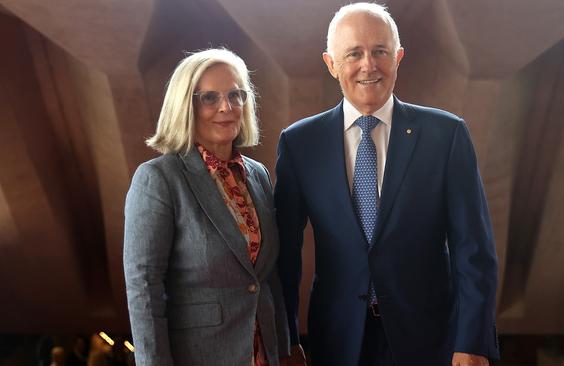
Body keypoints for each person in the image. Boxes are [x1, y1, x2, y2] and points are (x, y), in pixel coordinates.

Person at [275, 3, 499, 366]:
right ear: (331, 64)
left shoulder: (446, 135)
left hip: (429, 337)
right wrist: (285, 340)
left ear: (398, 57)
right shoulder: (300, 144)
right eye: (354, 54)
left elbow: (473, 249)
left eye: (380, 51)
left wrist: (472, 341)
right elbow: (284, 256)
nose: (369, 65)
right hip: (338, 338)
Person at [124, 48, 290, 366]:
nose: (226, 107)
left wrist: (284, 349)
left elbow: (268, 279)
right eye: (210, 98)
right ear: (186, 105)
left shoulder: (257, 174)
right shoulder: (158, 178)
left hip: (262, 354)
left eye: (236, 95)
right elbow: (143, 286)